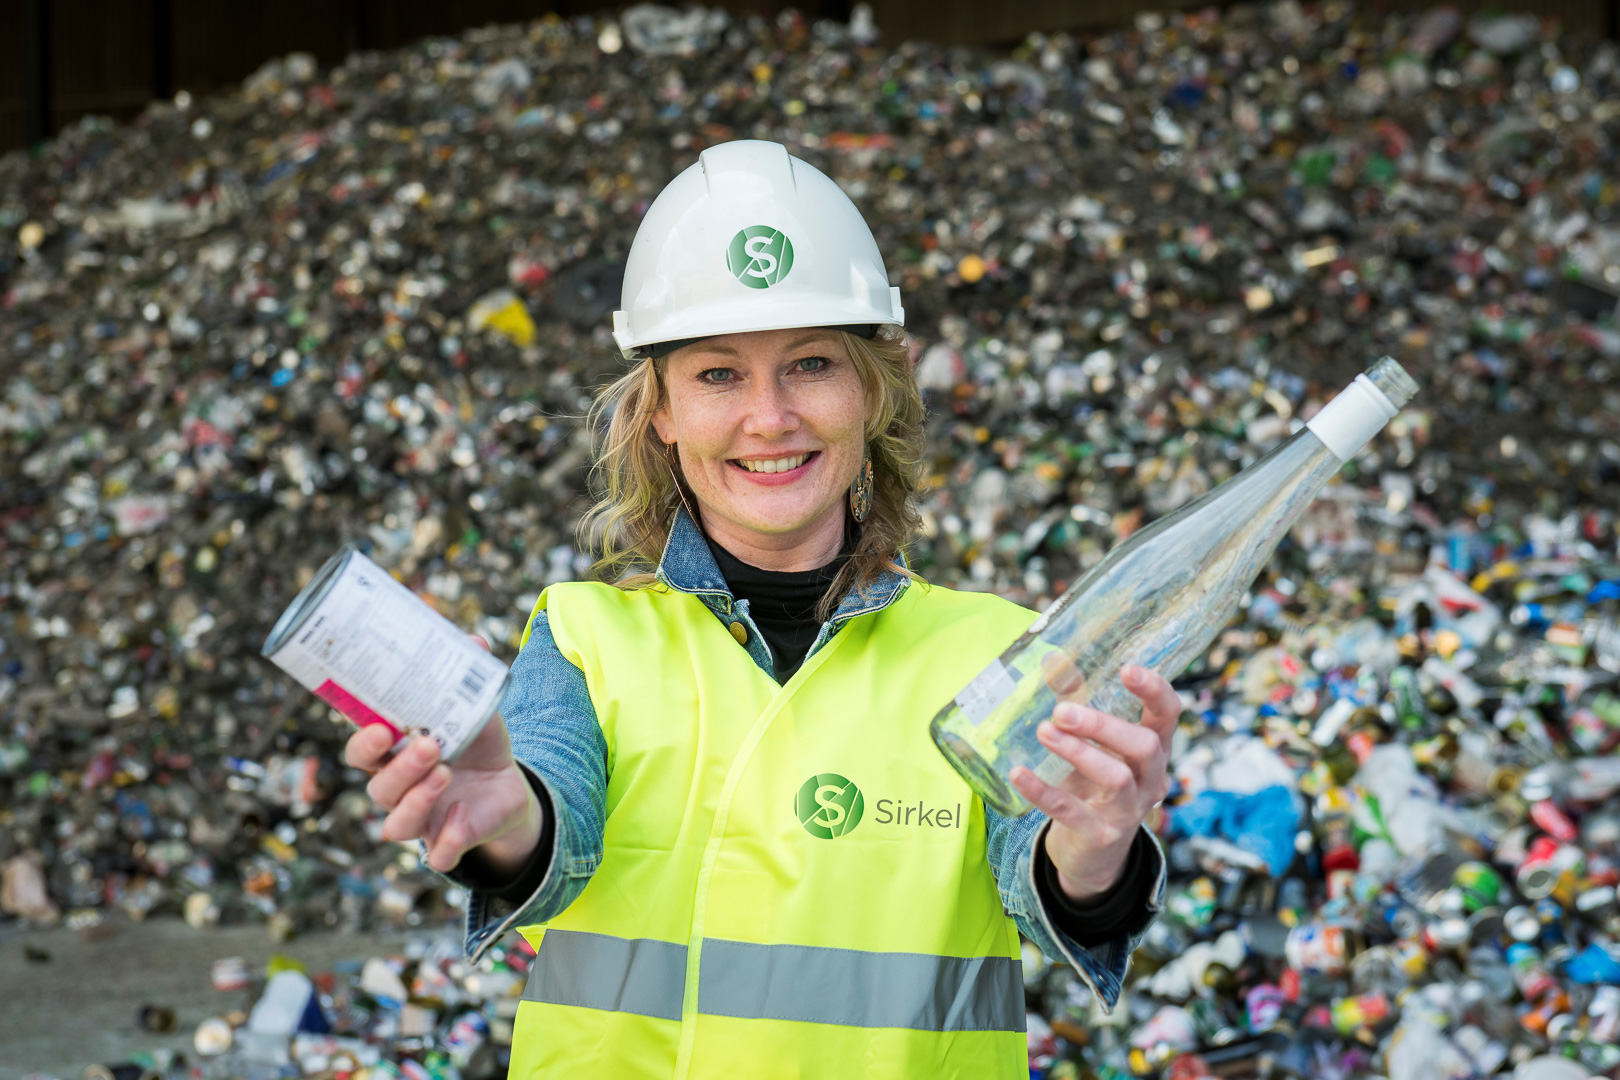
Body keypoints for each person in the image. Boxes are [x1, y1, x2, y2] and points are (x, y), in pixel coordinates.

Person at [345, 140, 1174, 1079]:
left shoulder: (993, 650)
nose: (770, 417)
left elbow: (1046, 867)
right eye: (717, 374)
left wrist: (1097, 851)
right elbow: (549, 817)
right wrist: (500, 823)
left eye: (811, 363)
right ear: (658, 411)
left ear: (872, 391)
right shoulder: (584, 637)